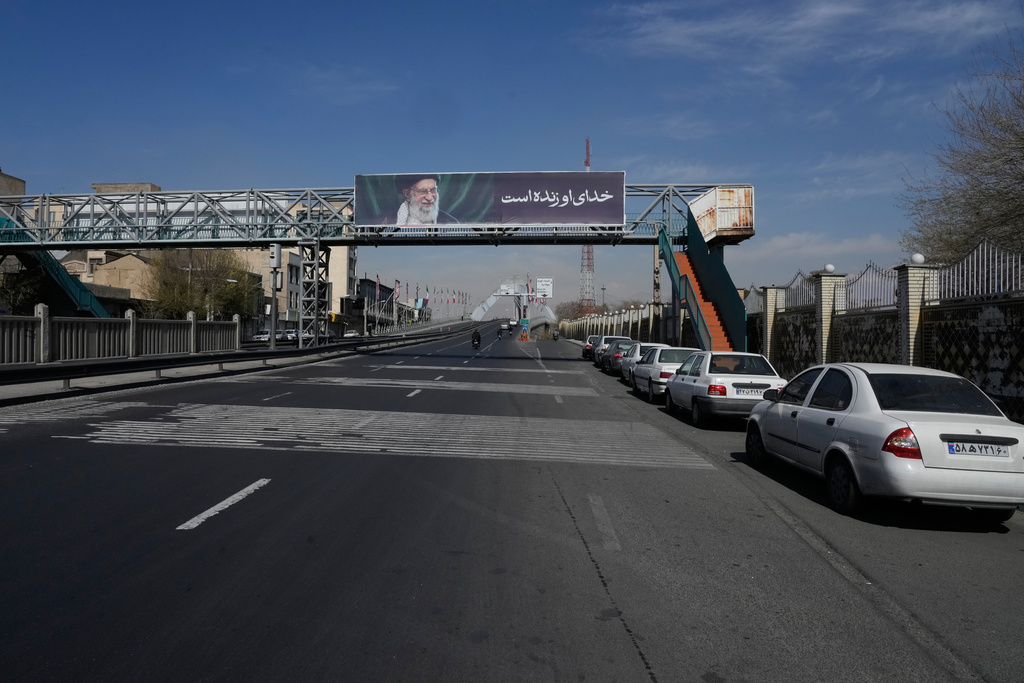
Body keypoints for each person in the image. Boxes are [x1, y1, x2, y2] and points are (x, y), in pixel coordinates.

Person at [393, 174, 459, 226]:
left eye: (433, 190)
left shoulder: (451, 222)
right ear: (407, 194)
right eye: (423, 191)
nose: (429, 198)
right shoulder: (387, 221)